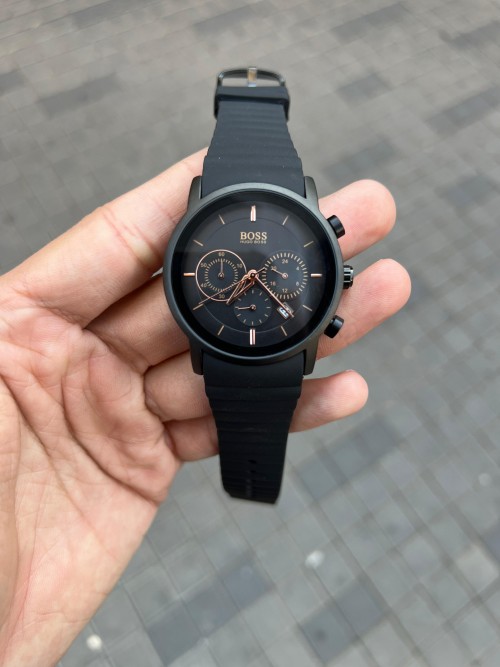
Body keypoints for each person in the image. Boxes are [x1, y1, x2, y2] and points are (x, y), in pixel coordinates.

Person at [0, 149, 410, 666]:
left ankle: (251, 481)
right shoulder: (228, 275)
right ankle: (249, 482)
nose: (255, 274)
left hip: (278, 343)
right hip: (230, 340)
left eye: (268, 271)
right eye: (243, 272)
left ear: (336, 278)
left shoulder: (291, 276)